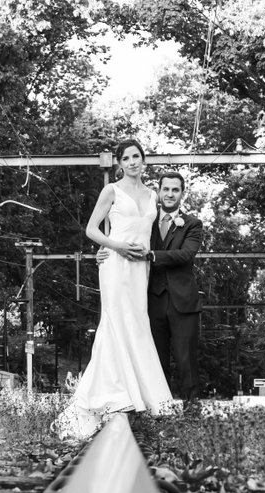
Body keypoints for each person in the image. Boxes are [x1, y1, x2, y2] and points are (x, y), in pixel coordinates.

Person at [54, 139, 173, 441]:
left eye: (137, 156)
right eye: (127, 158)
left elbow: (150, 234)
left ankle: (140, 396)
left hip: (139, 269)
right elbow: (92, 229)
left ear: (144, 161)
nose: (133, 162)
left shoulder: (153, 195)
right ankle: (115, 396)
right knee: (117, 324)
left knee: (137, 325)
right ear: (119, 163)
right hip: (116, 264)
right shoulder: (112, 190)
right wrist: (116, 246)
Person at [145, 171, 205, 400]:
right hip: (152, 299)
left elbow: (186, 254)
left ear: (182, 194)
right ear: (159, 191)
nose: (170, 194)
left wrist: (151, 255)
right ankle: (161, 407)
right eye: (166, 189)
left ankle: (192, 411)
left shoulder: (192, 224)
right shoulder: (146, 222)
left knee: (186, 359)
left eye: (175, 190)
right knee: (156, 358)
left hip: (183, 302)